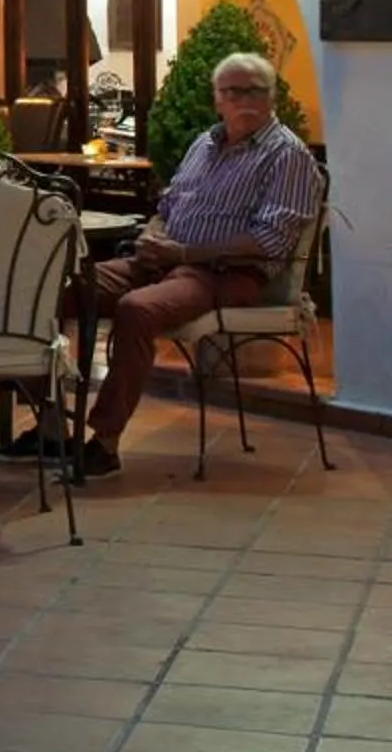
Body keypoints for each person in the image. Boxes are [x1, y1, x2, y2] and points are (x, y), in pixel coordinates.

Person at [49, 51, 320, 479]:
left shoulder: (287, 155)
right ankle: (49, 424)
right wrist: (152, 235)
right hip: (161, 260)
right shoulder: (204, 144)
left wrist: (183, 255)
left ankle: (104, 442)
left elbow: (268, 240)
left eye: (255, 90)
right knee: (48, 290)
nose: (244, 98)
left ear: (272, 98)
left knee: (137, 310)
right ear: (218, 100)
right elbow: (168, 205)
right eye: (233, 91)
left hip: (224, 273)